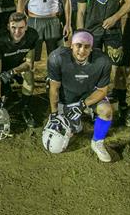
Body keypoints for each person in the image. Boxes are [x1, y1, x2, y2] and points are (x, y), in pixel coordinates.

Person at [74, 0, 130, 120]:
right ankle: (92, 104)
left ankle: (122, 106)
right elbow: (81, 10)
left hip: (113, 30)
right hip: (92, 31)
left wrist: (115, 17)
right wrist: (80, 33)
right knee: (93, 68)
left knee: (118, 69)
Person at [47, 30, 114, 163]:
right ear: (71, 45)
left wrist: (82, 105)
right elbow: (54, 88)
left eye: (87, 46)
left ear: (92, 48)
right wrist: (54, 114)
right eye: (78, 45)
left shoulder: (103, 61)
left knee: (106, 111)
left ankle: (97, 142)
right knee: (56, 142)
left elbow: (102, 91)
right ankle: (73, 121)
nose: (82, 50)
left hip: (88, 96)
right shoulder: (57, 57)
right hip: (65, 97)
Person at [0, 12, 39, 127]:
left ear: (26, 27)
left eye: (21, 28)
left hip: (16, 67)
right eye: (13, 27)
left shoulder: (32, 35)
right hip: (1, 68)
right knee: (1, 97)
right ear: (8, 26)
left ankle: (24, 107)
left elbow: (29, 64)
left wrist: (12, 72)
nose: (17, 32)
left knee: (29, 75)